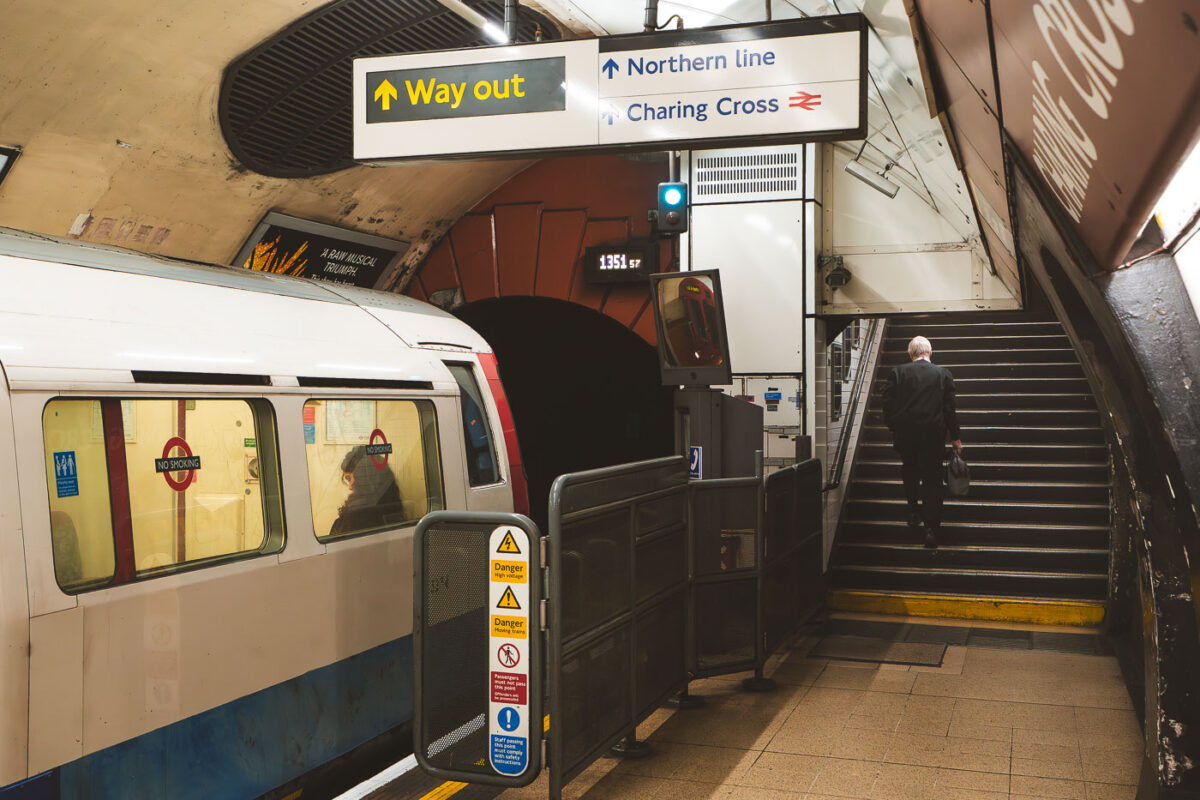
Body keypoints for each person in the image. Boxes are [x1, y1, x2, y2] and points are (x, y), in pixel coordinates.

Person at [882, 335, 962, 549]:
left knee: (909, 471)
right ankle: (931, 529)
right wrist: (955, 437)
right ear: (930, 353)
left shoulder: (897, 373)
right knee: (932, 482)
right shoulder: (943, 374)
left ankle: (912, 511)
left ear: (910, 354)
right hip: (933, 437)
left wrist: (894, 427)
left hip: (906, 436)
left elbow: (887, 405)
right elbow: (949, 409)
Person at [329, 445, 405, 536]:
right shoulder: (390, 504)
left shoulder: (358, 512)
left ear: (363, 478)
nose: (349, 487)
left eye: (349, 479)